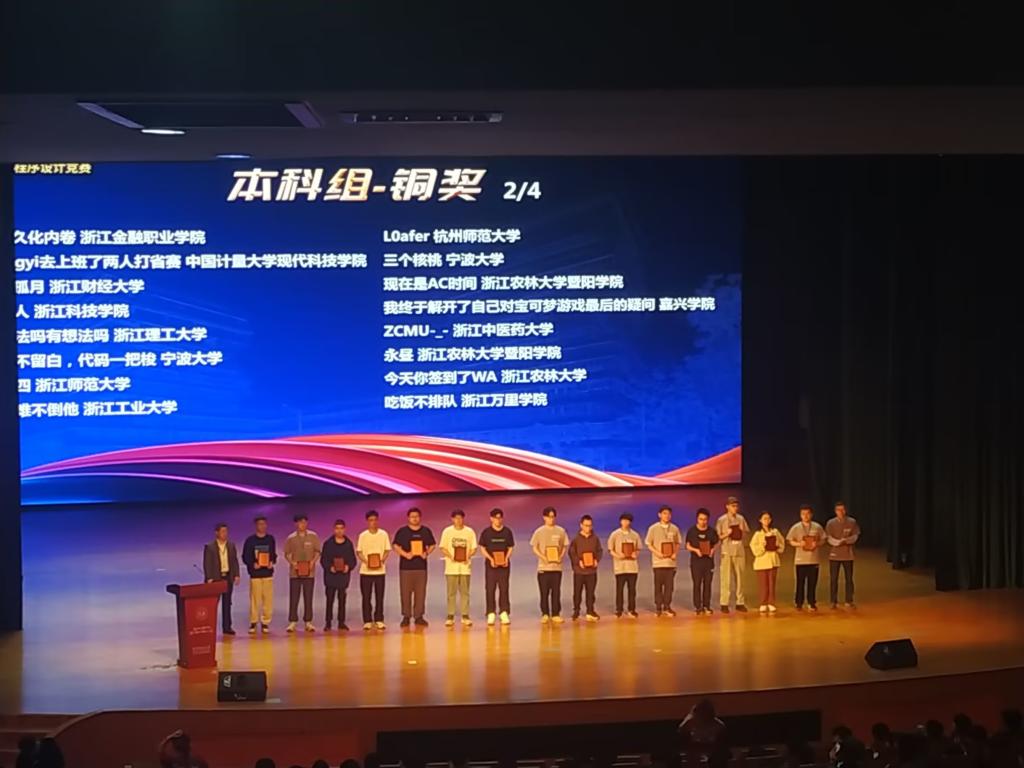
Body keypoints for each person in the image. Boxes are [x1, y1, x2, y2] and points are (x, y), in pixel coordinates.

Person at [392, 507, 436, 627]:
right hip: (406, 567)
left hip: (421, 567)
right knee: (405, 593)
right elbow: (395, 545)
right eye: (412, 517)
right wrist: (405, 554)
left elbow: (432, 545)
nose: (414, 519)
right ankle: (406, 616)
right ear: (408, 518)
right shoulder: (402, 531)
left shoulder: (425, 531)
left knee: (420, 593)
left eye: (416, 516)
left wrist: (426, 553)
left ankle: (419, 616)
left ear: (420, 517)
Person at [530, 506, 569, 623]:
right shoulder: (539, 531)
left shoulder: (561, 531)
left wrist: (560, 557)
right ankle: (545, 614)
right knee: (544, 592)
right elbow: (534, 547)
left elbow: (564, 546)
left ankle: (556, 614)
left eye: (553, 517)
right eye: (549, 517)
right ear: (544, 517)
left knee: (556, 592)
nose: (551, 519)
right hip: (543, 568)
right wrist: (543, 557)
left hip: (556, 568)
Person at [440, 509, 477, 626]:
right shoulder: (447, 531)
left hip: (465, 567)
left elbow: (474, 548)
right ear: (452, 519)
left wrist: (468, 556)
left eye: (460, 518)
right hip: (451, 568)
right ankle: (450, 615)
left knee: (465, 592)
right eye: (456, 518)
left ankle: (465, 615)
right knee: (451, 593)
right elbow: (442, 547)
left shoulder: (469, 532)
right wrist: (451, 556)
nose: (458, 520)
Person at [284, 513, 321, 633]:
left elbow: (317, 551)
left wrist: (313, 562)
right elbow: (287, 554)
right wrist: (292, 563)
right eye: (300, 522)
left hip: (309, 572)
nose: (302, 524)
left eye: (304, 522)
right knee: (294, 597)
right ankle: (292, 621)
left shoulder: (313, 536)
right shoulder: (291, 538)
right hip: (295, 573)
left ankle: (308, 621)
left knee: (308, 597)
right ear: (296, 524)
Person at [786, 504, 826, 611]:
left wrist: (817, 544)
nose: (805, 516)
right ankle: (799, 602)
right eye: (803, 514)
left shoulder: (817, 527)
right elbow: (790, 540)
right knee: (800, 582)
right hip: (800, 560)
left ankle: (811, 602)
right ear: (800, 515)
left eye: (808, 514)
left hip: (813, 559)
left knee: (812, 583)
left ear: (811, 514)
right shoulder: (796, 527)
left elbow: (823, 539)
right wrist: (799, 544)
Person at [202, 522, 240, 635]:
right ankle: (209, 626)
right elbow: (207, 563)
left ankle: (227, 627)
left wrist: (236, 575)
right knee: (212, 604)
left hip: (227, 577)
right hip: (215, 578)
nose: (225, 533)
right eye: (222, 531)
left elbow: (234, 561)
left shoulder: (231, 546)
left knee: (227, 603)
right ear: (216, 533)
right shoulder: (210, 547)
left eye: (226, 531)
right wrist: (209, 577)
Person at [479, 507, 515, 625]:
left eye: (500, 518)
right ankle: (491, 612)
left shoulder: (507, 532)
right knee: (490, 588)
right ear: (491, 519)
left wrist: (506, 558)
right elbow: (482, 548)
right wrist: (490, 559)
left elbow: (510, 547)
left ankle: (504, 612)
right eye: (495, 518)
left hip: (504, 565)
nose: (498, 520)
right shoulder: (486, 532)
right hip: (491, 565)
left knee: (504, 588)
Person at [241, 515, 277, 634]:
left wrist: (272, 562)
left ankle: (265, 622)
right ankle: (253, 622)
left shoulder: (270, 539)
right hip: (255, 574)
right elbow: (245, 557)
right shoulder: (250, 540)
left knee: (268, 600)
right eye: (260, 524)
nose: (262, 526)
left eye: (264, 524)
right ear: (256, 526)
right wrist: (252, 564)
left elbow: (273, 554)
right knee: (255, 600)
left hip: (267, 574)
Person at [356, 510, 390, 630]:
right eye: (371, 520)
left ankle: (379, 619)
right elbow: (359, 552)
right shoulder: (363, 535)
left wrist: (381, 561)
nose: (373, 522)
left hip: (380, 571)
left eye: (375, 520)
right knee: (366, 597)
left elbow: (387, 550)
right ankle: (367, 620)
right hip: (366, 571)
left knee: (379, 596)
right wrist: (367, 562)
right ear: (367, 521)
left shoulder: (383, 534)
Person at [715, 496, 750, 613]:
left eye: (736, 506)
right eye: (733, 506)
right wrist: (727, 533)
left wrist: (742, 531)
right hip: (727, 551)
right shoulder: (722, 520)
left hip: (739, 550)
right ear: (727, 507)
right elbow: (718, 537)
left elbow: (746, 533)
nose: (735, 508)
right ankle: (724, 603)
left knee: (740, 578)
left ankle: (740, 602)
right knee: (726, 578)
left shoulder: (741, 519)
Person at [645, 505, 682, 616]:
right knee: (658, 586)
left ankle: (667, 606)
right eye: (664, 513)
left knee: (669, 587)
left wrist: (675, 553)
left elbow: (678, 543)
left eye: (669, 514)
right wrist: (657, 553)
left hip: (670, 563)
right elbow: (648, 543)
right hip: (658, 563)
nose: (667, 516)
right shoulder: (653, 528)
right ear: (659, 515)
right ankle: (658, 607)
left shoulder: (674, 528)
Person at [321, 519, 356, 631]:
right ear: (334, 529)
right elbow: (323, 560)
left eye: (341, 528)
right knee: (329, 600)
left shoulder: (348, 544)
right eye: (337, 528)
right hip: (331, 577)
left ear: (344, 529)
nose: (339, 531)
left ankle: (341, 622)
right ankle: (328, 623)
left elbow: (353, 560)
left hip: (343, 578)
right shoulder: (328, 544)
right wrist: (329, 567)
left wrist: (348, 567)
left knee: (342, 600)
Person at [826, 501, 861, 609]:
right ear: (835, 511)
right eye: (838, 510)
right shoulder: (831, 523)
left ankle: (849, 600)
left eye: (842, 510)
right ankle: (833, 601)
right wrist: (837, 542)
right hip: (834, 555)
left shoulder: (852, 522)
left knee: (849, 579)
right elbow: (828, 537)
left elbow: (855, 535)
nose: (840, 512)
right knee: (833, 579)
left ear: (845, 510)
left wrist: (847, 540)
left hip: (848, 555)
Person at [607, 512, 642, 618]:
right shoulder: (615, 534)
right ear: (620, 521)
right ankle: (619, 609)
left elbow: (638, 549)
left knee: (632, 590)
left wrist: (635, 554)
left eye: (628, 521)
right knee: (619, 590)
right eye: (624, 520)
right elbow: (610, 549)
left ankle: (632, 609)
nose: (626, 522)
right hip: (620, 567)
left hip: (632, 567)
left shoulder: (635, 535)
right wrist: (618, 556)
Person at [685, 508, 719, 615]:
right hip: (696, 562)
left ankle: (706, 606)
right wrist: (696, 550)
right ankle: (698, 606)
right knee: (697, 584)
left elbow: (717, 543)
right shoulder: (692, 531)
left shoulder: (712, 531)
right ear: (697, 519)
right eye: (701, 519)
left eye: (705, 519)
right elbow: (687, 545)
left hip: (708, 562)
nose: (703, 521)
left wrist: (713, 550)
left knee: (707, 584)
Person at [569, 514, 603, 621]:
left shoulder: (595, 538)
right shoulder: (576, 539)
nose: (588, 528)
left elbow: (599, 551)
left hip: (591, 571)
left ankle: (590, 610)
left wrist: (596, 560)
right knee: (577, 592)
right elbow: (572, 553)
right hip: (579, 571)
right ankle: (576, 611)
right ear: (581, 525)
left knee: (591, 592)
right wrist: (578, 562)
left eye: (590, 525)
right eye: (586, 525)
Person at [750, 510, 785, 613]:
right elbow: (753, 546)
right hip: (762, 561)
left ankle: (771, 602)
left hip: (773, 561)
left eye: (768, 518)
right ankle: (763, 603)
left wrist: (778, 546)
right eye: (764, 518)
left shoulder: (775, 532)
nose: (767, 520)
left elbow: (782, 543)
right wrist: (762, 546)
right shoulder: (758, 534)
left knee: (771, 583)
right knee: (763, 584)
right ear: (760, 520)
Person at [678, 699, 729, 768]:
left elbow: (721, 746)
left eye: (705, 714)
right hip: (693, 750)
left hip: (713, 751)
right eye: (700, 714)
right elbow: (682, 741)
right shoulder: (688, 724)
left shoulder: (719, 726)